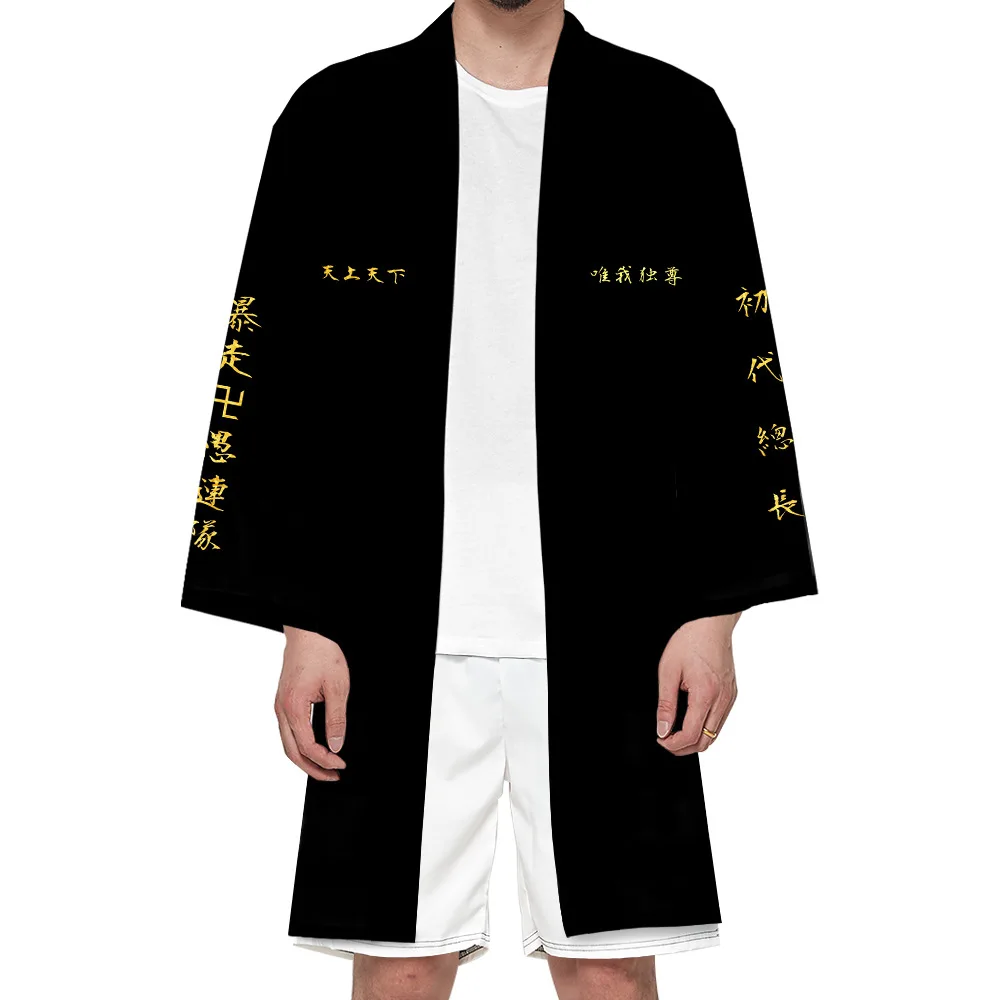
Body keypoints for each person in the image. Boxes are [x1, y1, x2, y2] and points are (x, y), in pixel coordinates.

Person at [181, 2, 818, 997]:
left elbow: (731, 372)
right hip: (388, 617)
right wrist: (305, 616)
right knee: (399, 965)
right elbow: (274, 378)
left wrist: (715, 611)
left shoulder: (671, 119)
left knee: (611, 967)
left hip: (619, 618)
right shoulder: (338, 117)